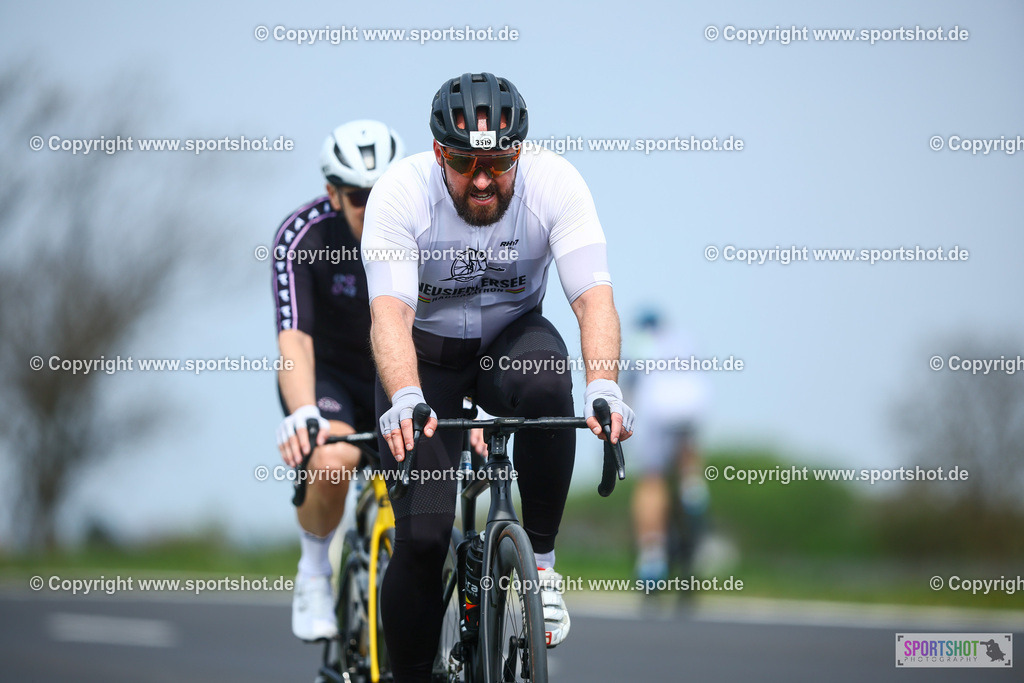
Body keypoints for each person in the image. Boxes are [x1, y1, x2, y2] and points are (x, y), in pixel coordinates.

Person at [361, 71, 634, 682]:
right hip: (423, 357)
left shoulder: (556, 183)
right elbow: (390, 314)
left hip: (508, 343)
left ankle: (538, 561)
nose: (482, 178)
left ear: (522, 150)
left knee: (545, 379)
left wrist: (605, 387)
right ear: (439, 154)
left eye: (499, 161)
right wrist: (405, 397)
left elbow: (593, 297)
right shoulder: (400, 193)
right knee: (426, 536)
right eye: (464, 162)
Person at [272, 119, 404, 641]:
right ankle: (313, 571)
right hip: (330, 379)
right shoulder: (303, 235)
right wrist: (304, 412)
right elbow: (294, 340)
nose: (371, 207)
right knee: (333, 458)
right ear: (332, 193)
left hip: (399, 374)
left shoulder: (425, 229)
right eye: (357, 196)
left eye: (383, 193)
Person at [625, 311, 710, 583]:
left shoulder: (640, 342)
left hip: (657, 408)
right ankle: (692, 486)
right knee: (687, 440)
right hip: (692, 404)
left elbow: (630, 387)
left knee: (651, 479)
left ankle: (652, 556)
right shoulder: (683, 338)